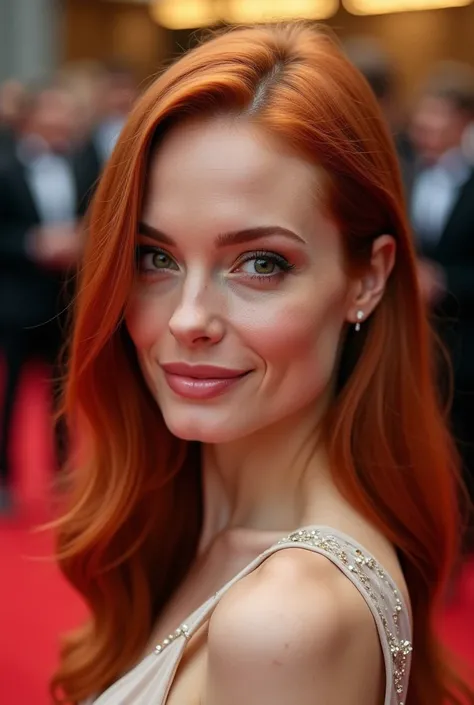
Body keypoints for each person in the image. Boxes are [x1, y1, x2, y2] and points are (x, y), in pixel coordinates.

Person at [52, 24, 472, 705]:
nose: (188, 318)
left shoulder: (285, 620)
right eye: (156, 256)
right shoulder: (192, 524)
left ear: (368, 278)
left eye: (261, 263)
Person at [0, 85, 97, 510]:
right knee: (11, 394)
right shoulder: (4, 167)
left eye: (66, 113)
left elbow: (96, 215)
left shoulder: (82, 163)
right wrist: (31, 243)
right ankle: (5, 478)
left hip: (65, 299)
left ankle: (64, 472)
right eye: (52, 112)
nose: (61, 122)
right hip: (16, 301)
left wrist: (81, 239)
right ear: (32, 118)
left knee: (64, 392)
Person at [409, 63, 474, 536]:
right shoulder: (407, 172)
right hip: (418, 341)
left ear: (461, 124)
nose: (424, 134)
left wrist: (443, 279)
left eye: (436, 125)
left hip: (464, 344)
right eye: (422, 124)